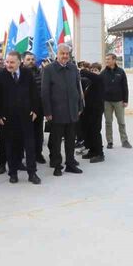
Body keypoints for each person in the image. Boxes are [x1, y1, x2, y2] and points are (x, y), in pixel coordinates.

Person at [0, 51, 41, 184]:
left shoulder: (27, 74)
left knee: (30, 146)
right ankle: (13, 173)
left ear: (19, 62)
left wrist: (35, 111)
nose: (8, 65)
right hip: (8, 119)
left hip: (26, 117)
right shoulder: (1, 75)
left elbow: (34, 94)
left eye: (12, 62)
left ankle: (32, 173)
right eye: (7, 62)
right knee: (11, 147)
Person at [42, 44, 84, 176]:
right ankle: (57, 165)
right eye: (62, 53)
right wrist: (47, 112)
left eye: (67, 54)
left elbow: (78, 89)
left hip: (72, 111)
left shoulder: (73, 68)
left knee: (71, 140)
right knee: (55, 141)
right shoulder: (49, 69)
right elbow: (45, 92)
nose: (65, 56)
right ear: (57, 54)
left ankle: (70, 163)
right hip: (56, 112)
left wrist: (79, 107)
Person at [101, 53, 131, 149]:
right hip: (107, 102)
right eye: (106, 59)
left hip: (119, 101)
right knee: (108, 122)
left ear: (114, 60)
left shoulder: (121, 72)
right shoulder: (103, 73)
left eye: (108, 59)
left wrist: (125, 100)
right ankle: (109, 142)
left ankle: (124, 140)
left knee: (121, 122)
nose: (107, 61)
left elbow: (125, 87)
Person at [23, 52, 47, 164]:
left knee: (38, 133)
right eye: (28, 59)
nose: (31, 61)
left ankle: (38, 154)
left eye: (32, 59)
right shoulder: (20, 74)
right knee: (25, 134)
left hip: (38, 109)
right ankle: (24, 155)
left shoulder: (41, 72)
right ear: (23, 61)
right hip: (24, 109)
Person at [80, 62, 105, 162]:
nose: (93, 72)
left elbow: (93, 77)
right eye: (92, 70)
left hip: (96, 110)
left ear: (99, 71)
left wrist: (82, 70)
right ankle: (92, 150)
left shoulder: (100, 79)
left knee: (95, 131)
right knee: (89, 131)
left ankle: (99, 153)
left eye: (96, 70)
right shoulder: (90, 82)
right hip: (88, 111)